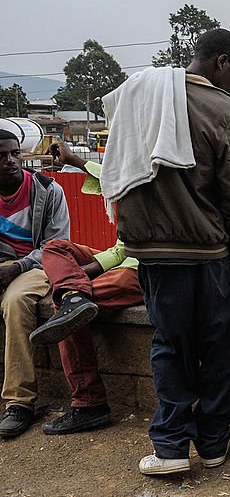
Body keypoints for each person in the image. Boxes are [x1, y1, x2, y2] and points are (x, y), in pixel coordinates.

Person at [106, 28, 230, 475]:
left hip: (152, 251)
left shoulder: (137, 97)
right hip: (210, 254)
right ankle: (212, 445)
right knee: (220, 349)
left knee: (170, 346)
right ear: (222, 62)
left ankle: (170, 447)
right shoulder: (222, 109)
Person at [27, 142, 144, 435]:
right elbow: (120, 250)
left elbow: (130, 256)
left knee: (65, 310)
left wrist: (80, 278)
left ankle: (89, 403)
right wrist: (78, 277)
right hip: (122, 260)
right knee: (54, 248)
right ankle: (74, 294)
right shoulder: (125, 187)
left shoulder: (147, 183)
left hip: (145, 270)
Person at [0, 130, 70, 438]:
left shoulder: (46, 189)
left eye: (14, 154)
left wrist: (18, 266)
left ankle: (19, 402)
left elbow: (56, 244)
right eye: (1, 156)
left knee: (16, 302)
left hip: (36, 265)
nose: (10, 161)